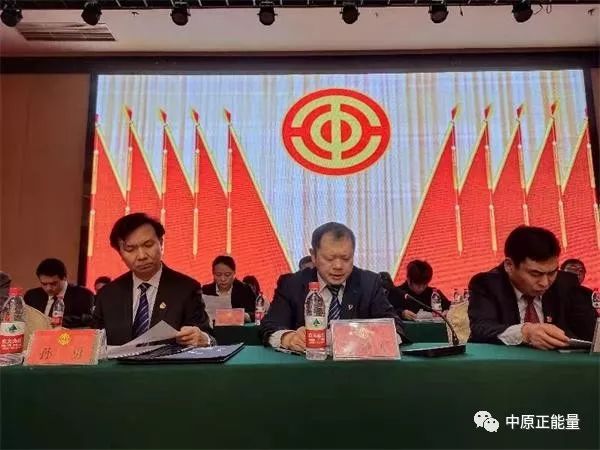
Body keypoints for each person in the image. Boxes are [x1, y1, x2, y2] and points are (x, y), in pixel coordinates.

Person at [260, 222, 407, 350]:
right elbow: (270, 325)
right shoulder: (292, 284)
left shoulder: (369, 283)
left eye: (346, 258)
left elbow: (395, 327)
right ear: (313, 256)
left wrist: (365, 337)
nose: (338, 266)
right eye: (329, 258)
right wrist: (288, 338)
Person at [92, 213, 213, 346]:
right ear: (120, 253)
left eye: (148, 245)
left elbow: (207, 336)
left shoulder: (186, 289)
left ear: (161, 243)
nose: (142, 256)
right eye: (130, 249)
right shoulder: (108, 295)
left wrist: (205, 339)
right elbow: (92, 343)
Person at [468, 226, 596, 349]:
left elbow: (591, 332)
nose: (545, 283)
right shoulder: (487, 284)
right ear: (509, 265)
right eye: (535, 274)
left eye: (552, 273)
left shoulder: (566, 284)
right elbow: (481, 328)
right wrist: (525, 332)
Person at [24, 258, 94, 328]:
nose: (48, 288)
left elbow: (87, 324)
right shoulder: (31, 296)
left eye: (53, 283)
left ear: (64, 278)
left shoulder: (83, 295)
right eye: (44, 284)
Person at [202, 256, 256, 322]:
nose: (223, 279)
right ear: (213, 274)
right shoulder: (205, 291)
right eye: (218, 275)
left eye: (227, 275)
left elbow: (258, 313)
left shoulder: (244, 290)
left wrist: (245, 316)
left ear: (234, 273)